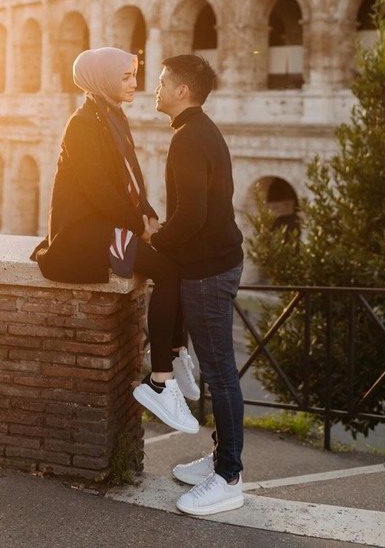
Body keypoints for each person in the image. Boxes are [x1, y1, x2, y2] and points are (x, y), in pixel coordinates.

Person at [31, 47, 199, 434]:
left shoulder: (112, 116)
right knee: (168, 271)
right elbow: (100, 192)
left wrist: (150, 216)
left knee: (176, 260)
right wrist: (140, 225)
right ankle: (161, 380)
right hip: (85, 236)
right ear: (103, 79)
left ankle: (175, 355)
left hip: (109, 227)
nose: (134, 83)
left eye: (133, 75)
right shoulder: (81, 124)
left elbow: (131, 181)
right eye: (125, 77)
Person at [143, 54, 245, 516]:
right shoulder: (203, 129)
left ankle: (229, 478)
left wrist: (156, 239)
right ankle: (222, 459)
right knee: (219, 372)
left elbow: (192, 216)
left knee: (220, 374)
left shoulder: (187, 138)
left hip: (208, 271)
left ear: (182, 91)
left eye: (163, 81)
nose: (157, 89)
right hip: (217, 263)